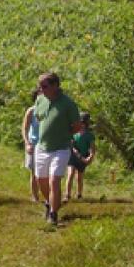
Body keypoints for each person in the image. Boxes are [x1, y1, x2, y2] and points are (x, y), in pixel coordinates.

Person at [33, 72, 83, 226]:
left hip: (60, 148)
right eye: (40, 86)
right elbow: (39, 117)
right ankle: (49, 202)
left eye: (45, 86)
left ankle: (53, 214)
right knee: (42, 180)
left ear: (55, 86)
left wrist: (65, 135)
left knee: (54, 180)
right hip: (42, 147)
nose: (41, 89)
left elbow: (77, 126)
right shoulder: (40, 100)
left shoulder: (68, 104)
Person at [67, 112, 96, 201]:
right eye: (81, 122)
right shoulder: (74, 133)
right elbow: (72, 147)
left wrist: (90, 157)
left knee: (79, 177)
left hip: (83, 157)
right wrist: (79, 156)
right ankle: (67, 194)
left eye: (84, 123)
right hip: (73, 156)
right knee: (70, 174)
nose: (82, 124)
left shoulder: (89, 135)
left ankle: (79, 194)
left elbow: (92, 148)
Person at [21, 88, 40, 202]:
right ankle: (35, 196)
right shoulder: (31, 111)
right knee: (34, 172)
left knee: (45, 173)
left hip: (46, 145)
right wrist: (27, 143)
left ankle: (47, 196)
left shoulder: (50, 111)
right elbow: (25, 128)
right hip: (33, 144)